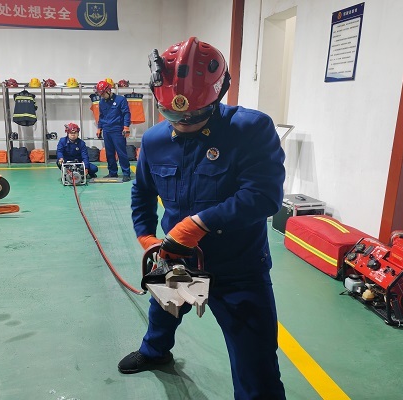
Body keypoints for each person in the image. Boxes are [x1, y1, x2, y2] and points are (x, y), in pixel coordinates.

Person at [119, 37, 287, 399]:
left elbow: (264, 195)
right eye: (171, 114)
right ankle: (155, 351)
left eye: (194, 116)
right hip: (174, 258)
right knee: (163, 310)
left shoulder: (251, 130)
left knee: (256, 364)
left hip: (238, 266)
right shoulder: (154, 140)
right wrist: (147, 237)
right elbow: (142, 192)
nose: (182, 123)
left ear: (219, 94)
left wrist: (199, 224)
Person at [95, 80, 132, 182]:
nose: (102, 96)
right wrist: (99, 128)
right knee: (109, 153)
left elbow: (126, 113)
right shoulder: (102, 102)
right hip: (107, 130)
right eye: (100, 94)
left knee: (121, 152)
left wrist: (126, 127)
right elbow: (101, 116)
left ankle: (126, 173)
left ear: (109, 90)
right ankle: (112, 172)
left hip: (117, 130)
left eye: (103, 93)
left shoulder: (121, 100)